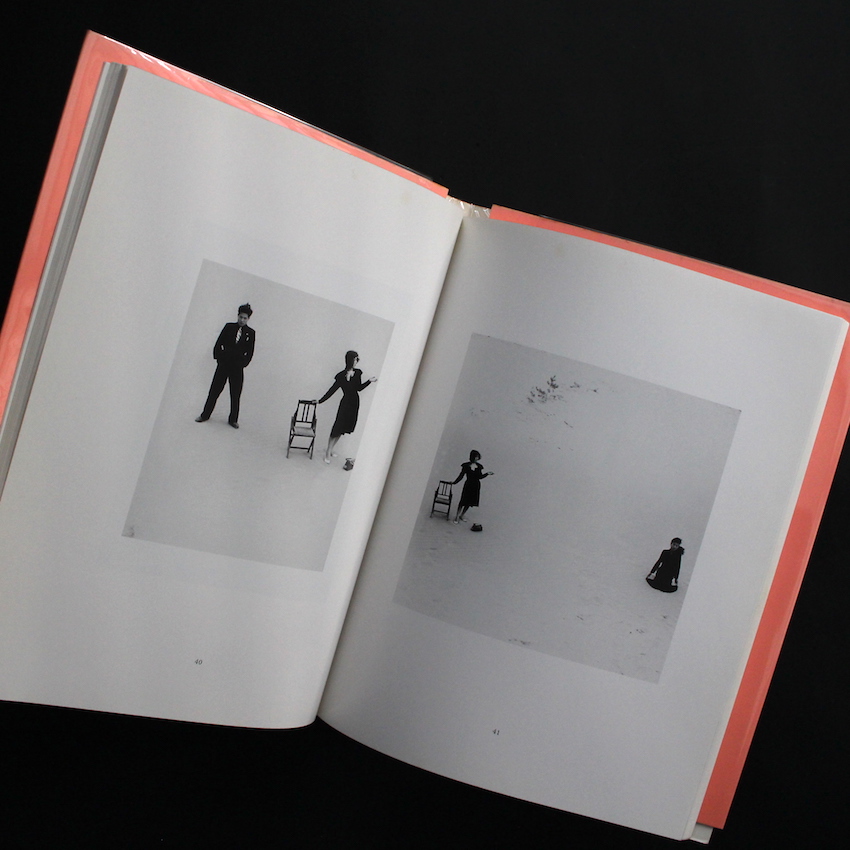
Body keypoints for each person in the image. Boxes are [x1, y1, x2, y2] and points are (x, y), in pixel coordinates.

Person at [195, 304, 255, 429]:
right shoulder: (229, 327)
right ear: (237, 316)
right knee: (214, 391)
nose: (242, 320)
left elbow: (250, 352)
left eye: (245, 318)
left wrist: (242, 363)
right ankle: (205, 415)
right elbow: (218, 343)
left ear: (248, 319)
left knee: (235, 394)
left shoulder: (251, 333)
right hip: (224, 365)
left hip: (237, 368)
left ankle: (233, 419)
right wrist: (219, 359)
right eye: (240, 317)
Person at [315, 351, 377, 463]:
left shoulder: (358, 373)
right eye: (355, 359)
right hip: (345, 403)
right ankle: (328, 452)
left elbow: (359, 388)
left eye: (358, 359)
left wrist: (369, 381)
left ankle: (331, 449)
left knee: (343, 429)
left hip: (354, 404)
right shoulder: (341, 376)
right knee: (337, 428)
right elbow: (332, 390)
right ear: (350, 360)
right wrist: (320, 401)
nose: (357, 361)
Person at [451, 450, 493, 524]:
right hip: (468, 485)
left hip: (475, 486)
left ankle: (462, 515)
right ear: (472, 457)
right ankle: (457, 516)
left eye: (478, 457)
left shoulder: (479, 467)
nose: (477, 458)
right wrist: (455, 482)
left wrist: (487, 473)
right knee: (462, 501)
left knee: (469, 502)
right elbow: (461, 476)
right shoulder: (465, 465)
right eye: (476, 457)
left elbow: (480, 477)